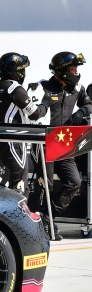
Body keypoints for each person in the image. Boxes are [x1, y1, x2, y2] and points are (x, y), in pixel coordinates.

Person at [28, 52, 91, 240]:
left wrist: (83, 110)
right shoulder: (41, 87)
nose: (76, 72)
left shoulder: (77, 88)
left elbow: (90, 103)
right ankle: (40, 225)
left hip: (64, 142)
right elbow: (31, 114)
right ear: (62, 71)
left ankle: (48, 216)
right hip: (44, 142)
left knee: (74, 182)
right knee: (44, 186)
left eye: (77, 69)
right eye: (73, 69)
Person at [0, 52, 40, 191]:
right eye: (22, 69)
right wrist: (46, 103)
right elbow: (35, 114)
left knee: (14, 184)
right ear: (16, 71)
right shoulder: (14, 87)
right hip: (13, 142)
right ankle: (18, 213)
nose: (23, 72)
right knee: (20, 186)